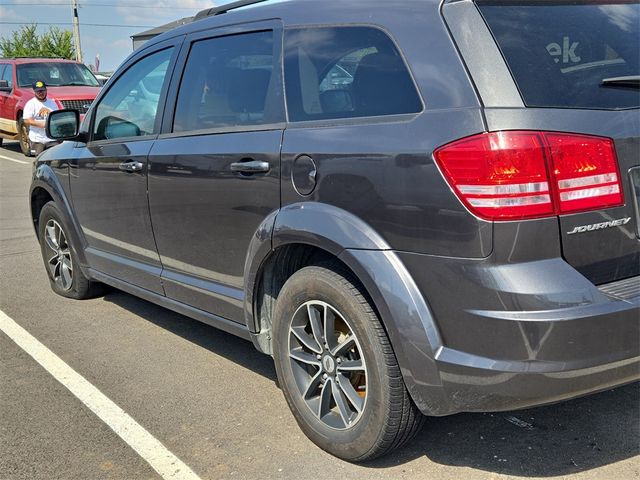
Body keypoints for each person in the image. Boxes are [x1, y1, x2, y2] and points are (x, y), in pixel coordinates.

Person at [23, 80, 60, 156]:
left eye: (42, 90)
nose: (41, 93)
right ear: (34, 92)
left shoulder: (52, 103)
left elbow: (57, 118)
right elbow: (27, 120)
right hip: (37, 139)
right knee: (39, 158)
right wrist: (42, 124)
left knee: (54, 158)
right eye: (38, 91)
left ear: (46, 90)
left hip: (51, 138)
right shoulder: (31, 104)